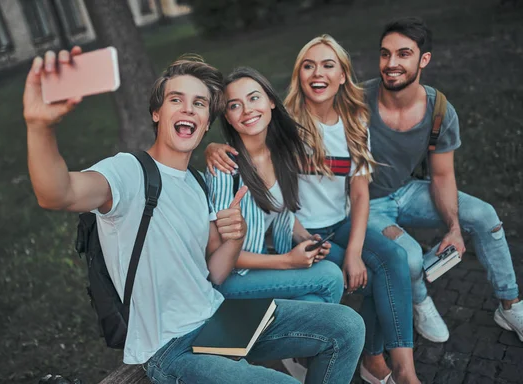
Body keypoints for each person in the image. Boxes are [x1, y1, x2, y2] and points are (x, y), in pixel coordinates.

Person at [23, 48, 365, 384]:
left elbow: (215, 271)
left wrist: (235, 236)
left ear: (204, 126)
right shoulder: (129, 172)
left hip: (218, 318)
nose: (188, 108)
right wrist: (40, 127)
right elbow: (57, 193)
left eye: (199, 104)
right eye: (176, 99)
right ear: (156, 112)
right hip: (171, 348)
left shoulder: (198, 184)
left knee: (347, 327)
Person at [206, 35, 419, 384]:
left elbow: (299, 207)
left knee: (390, 263)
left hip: (327, 227)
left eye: (327, 65)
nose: (246, 110)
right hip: (251, 264)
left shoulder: (328, 132)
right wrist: (213, 147)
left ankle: (389, 365)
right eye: (308, 65)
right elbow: (219, 262)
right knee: (337, 280)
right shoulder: (264, 141)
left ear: (343, 76)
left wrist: (330, 246)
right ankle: (302, 345)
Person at [361, 17, 523, 344]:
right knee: (407, 256)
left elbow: (442, 174)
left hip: (405, 190)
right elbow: (293, 120)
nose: (391, 63)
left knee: (485, 216)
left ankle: (510, 305)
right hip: (364, 204)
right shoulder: (356, 100)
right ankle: (420, 300)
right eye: (385, 54)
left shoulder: (439, 110)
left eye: (403, 54)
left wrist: (453, 228)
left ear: (424, 60)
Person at [206, 66, 344, 305]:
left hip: (265, 262)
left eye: (254, 98)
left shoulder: (281, 153)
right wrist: (288, 262)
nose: (247, 110)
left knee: (319, 291)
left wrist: (305, 239)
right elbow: (217, 256)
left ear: (270, 101)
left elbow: (283, 211)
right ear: (228, 117)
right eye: (235, 105)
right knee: (330, 277)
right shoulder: (224, 169)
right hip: (231, 278)